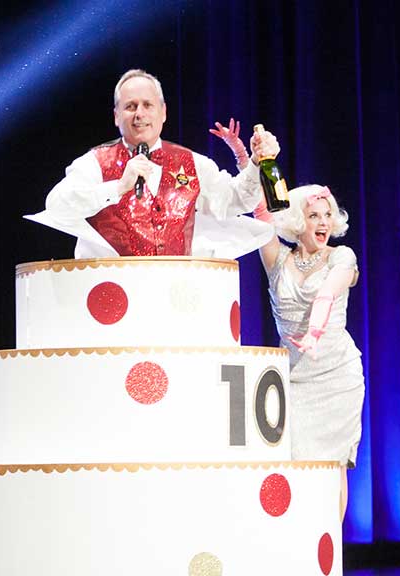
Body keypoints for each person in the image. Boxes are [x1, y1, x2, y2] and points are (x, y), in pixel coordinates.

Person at [25, 68, 279, 258]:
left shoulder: (193, 162)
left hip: (175, 296)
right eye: (130, 106)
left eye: (147, 105)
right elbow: (56, 206)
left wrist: (257, 163)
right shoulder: (93, 163)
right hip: (114, 301)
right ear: (116, 116)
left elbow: (235, 201)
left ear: (163, 112)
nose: (139, 114)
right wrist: (115, 188)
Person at [251, 183, 364, 520]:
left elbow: (328, 293)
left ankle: (332, 556)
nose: (323, 222)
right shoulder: (278, 259)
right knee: (295, 464)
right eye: (314, 214)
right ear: (298, 220)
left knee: (333, 466)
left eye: (328, 215)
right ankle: (303, 548)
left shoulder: (341, 257)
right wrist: (251, 158)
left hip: (337, 376)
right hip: (294, 380)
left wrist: (314, 332)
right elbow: (260, 213)